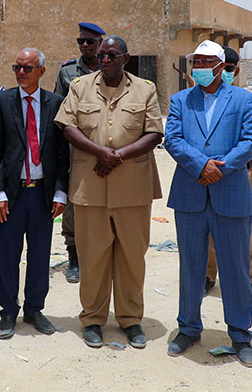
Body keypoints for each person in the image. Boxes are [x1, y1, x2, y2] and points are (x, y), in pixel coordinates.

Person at [53, 35, 163, 350]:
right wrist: (99, 152)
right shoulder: (80, 87)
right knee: (92, 258)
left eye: (112, 56)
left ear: (125, 58)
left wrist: (117, 156)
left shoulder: (145, 89)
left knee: (132, 258)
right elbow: (67, 127)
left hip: (133, 188)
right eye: (102, 55)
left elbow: (154, 133)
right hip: (90, 187)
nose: (105, 60)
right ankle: (92, 319)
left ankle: (130, 319)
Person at [163, 41, 252, 367]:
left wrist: (220, 167)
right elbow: (172, 139)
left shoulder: (244, 99)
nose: (200, 68)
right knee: (191, 266)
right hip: (190, 194)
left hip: (230, 192)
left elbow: (251, 140)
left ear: (221, 66)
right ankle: (188, 328)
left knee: (235, 268)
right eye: (196, 62)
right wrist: (200, 165)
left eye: (207, 62)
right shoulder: (180, 100)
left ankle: (240, 335)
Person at [0, 48, 70, 339]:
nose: (21, 72)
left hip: (42, 195)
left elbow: (62, 153)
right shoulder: (2, 102)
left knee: (39, 254)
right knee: (8, 254)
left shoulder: (55, 103)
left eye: (27, 68)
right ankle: (8, 311)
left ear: (42, 71)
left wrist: (60, 191)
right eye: (17, 67)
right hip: (12, 195)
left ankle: (34, 309)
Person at [204, 47, 252, 304]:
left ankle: (248, 280)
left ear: (235, 70)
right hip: (208, 174)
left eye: (229, 69)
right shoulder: (201, 98)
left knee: (245, 231)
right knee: (208, 229)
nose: (224, 73)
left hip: (241, 173)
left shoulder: (247, 100)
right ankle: (208, 277)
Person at [53, 22, 105, 283]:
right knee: (74, 200)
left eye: (90, 41)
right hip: (75, 148)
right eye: (81, 41)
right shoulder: (67, 72)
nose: (85, 45)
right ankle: (73, 255)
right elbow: (58, 111)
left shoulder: (110, 67)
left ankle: (100, 254)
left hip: (106, 145)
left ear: (100, 43)